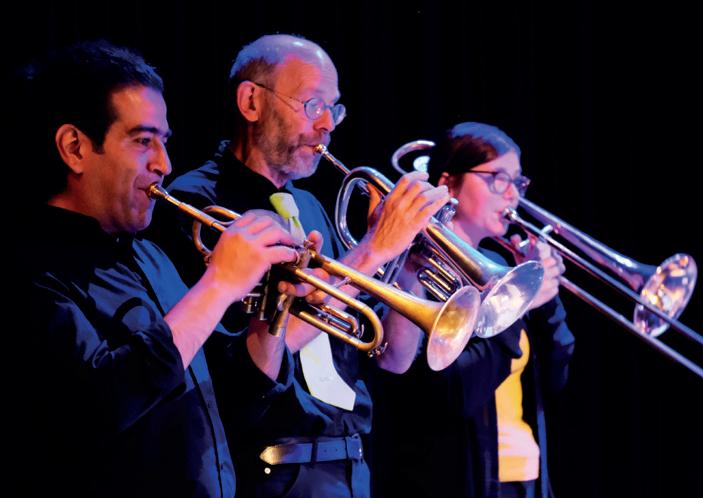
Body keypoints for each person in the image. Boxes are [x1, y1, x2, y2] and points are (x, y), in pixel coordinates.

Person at [148, 34, 451, 497]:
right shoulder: (196, 204)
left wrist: (406, 263)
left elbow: (392, 357)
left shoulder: (310, 207)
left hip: (349, 463)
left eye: (335, 109)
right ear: (251, 102)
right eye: (313, 105)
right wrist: (373, 249)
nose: (327, 124)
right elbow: (240, 368)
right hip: (270, 468)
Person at [9, 40, 302, 498]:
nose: (164, 164)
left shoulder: (151, 256)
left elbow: (230, 400)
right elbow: (98, 405)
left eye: (164, 142)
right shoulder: (32, 269)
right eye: (143, 141)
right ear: (75, 148)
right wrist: (220, 284)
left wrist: (274, 312)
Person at [371, 122, 575, 498]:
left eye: (518, 182)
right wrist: (516, 308)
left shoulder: (502, 268)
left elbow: (556, 377)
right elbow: (455, 393)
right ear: (449, 185)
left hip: (525, 480)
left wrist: (546, 302)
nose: (512, 194)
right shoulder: (417, 268)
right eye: (497, 178)